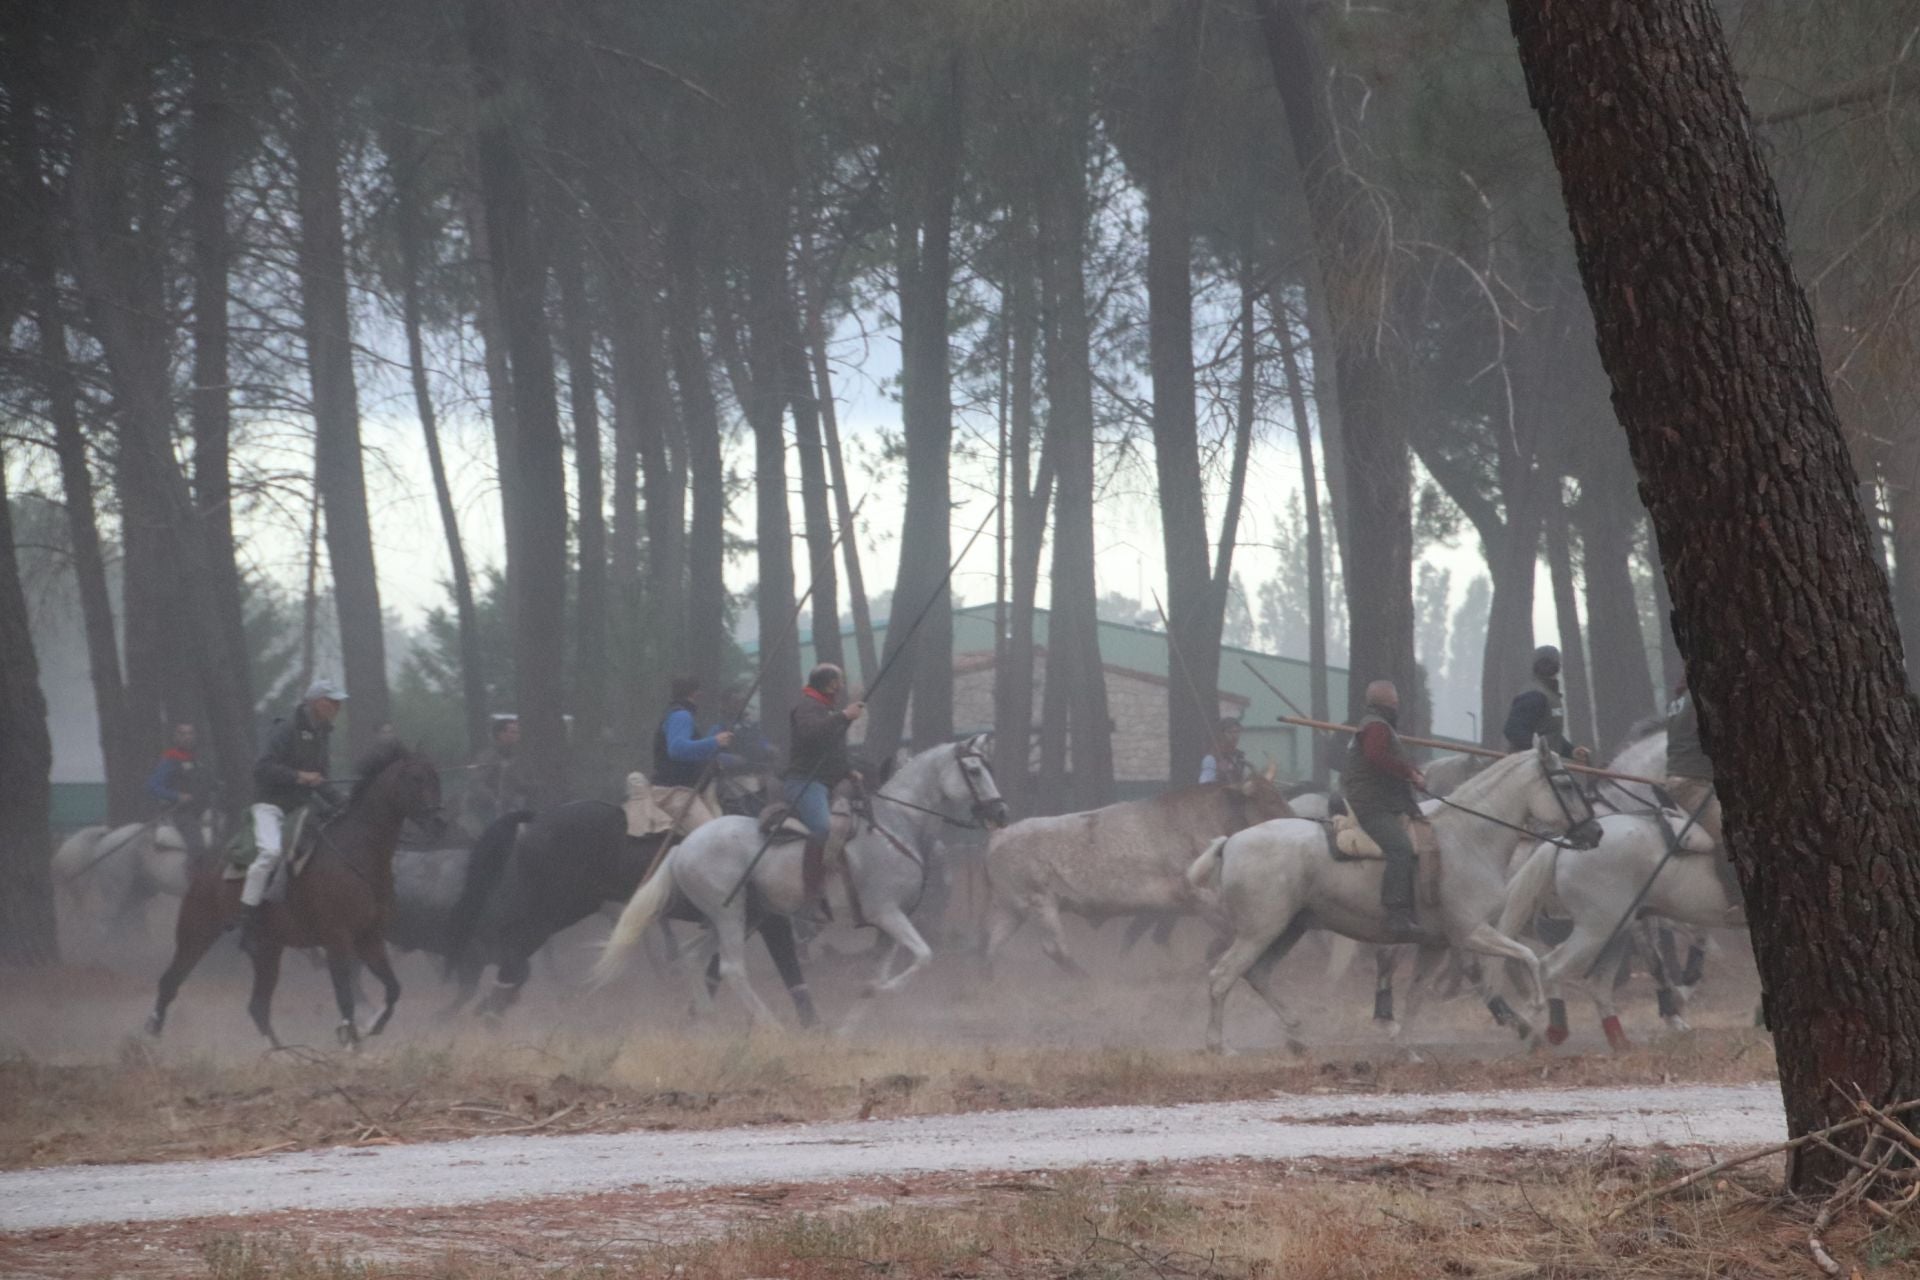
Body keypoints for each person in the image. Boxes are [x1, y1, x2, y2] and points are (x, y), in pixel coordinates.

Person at [241, 678, 347, 951]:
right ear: (316, 702)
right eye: (333, 701)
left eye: (338, 702)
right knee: (270, 853)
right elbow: (262, 769)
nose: (338, 706)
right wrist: (299, 776)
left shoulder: (323, 734)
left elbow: (321, 781)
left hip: (302, 807)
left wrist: (344, 803)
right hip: (270, 806)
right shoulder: (285, 729)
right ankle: (248, 919)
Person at [1343, 679, 1427, 936]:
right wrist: (1409, 773)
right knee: (1400, 848)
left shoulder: (1376, 725)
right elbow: (1376, 757)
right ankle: (1396, 914)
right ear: (1389, 702)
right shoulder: (1377, 726)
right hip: (1371, 804)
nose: (1397, 705)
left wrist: (1410, 773)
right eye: (1395, 701)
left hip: (1378, 800)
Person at [785, 663, 865, 913]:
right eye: (840, 681)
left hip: (825, 782)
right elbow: (810, 735)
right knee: (822, 828)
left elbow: (828, 749)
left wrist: (847, 770)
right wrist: (843, 716)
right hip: (805, 782)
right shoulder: (807, 707)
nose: (842, 686)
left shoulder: (824, 708)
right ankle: (812, 890)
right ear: (830, 684)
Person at [649, 676, 736, 831]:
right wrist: (715, 741)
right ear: (695, 693)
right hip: (675, 792)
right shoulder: (681, 715)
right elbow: (677, 749)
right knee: (711, 834)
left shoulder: (677, 714)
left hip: (686, 789)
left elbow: (692, 753)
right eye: (699, 690)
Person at [1503, 645, 1590, 760]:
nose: (1548, 666)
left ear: (1558, 666)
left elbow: (1551, 734)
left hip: (1548, 764)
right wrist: (1537, 749)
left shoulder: (1551, 695)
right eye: (1544, 662)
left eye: (1551, 662)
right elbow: (1512, 730)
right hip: (1528, 764)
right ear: (1536, 666)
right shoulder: (1533, 695)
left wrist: (1571, 751)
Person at [1664, 679, 1723, 849]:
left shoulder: (1678, 701)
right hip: (1694, 785)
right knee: (1736, 835)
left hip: (1678, 780)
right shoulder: (1701, 697)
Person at [147, 722, 210, 857]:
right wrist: (177, 796)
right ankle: (195, 869)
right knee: (197, 845)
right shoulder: (170, 759)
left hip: (202, 810)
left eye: (190, 733)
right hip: (182, 812)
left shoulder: (198, 760)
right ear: (175, 737)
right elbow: (153, 786)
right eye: (182, 734)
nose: (187, 737)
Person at [465, 716, 527, 833]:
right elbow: (475, 783)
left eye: (517, 732)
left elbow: (518, 784)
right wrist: (494, 800)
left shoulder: (515, 757)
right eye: (513, 732)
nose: (517, 735)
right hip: (485, 808)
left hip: (509, 808)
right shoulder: (487, 757)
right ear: (501, 734)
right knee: (497, 833)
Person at [1198, 717, 1251, 785]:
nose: (1235, 736)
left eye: (1237, 732)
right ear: (1221, 734)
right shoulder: (1211, 758)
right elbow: (1205, 785)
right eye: (1230, 732)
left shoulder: (1240, 757)